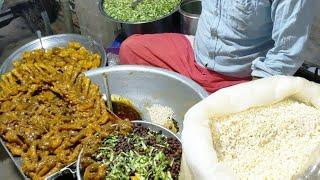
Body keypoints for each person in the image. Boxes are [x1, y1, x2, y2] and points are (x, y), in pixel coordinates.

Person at [119, 0, 319, 93]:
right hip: (194, 56)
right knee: (130, 49)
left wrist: (251, 94)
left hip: (238, 79)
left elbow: (287, 53)